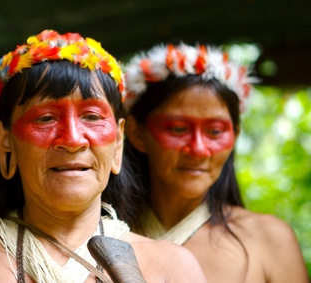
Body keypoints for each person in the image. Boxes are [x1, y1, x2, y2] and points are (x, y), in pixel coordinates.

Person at [0, 30, 207, 283]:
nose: (71, 140)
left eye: (92, 117)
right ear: (6, 141)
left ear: (118, 142)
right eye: (45, 118)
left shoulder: (172, 268)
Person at [122, 43, 309, 282]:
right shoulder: (95, 232)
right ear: (137, 133)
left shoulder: (270, 240)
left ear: (235, 135)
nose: (198, 150)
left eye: (215, 132)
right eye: (178, 129)